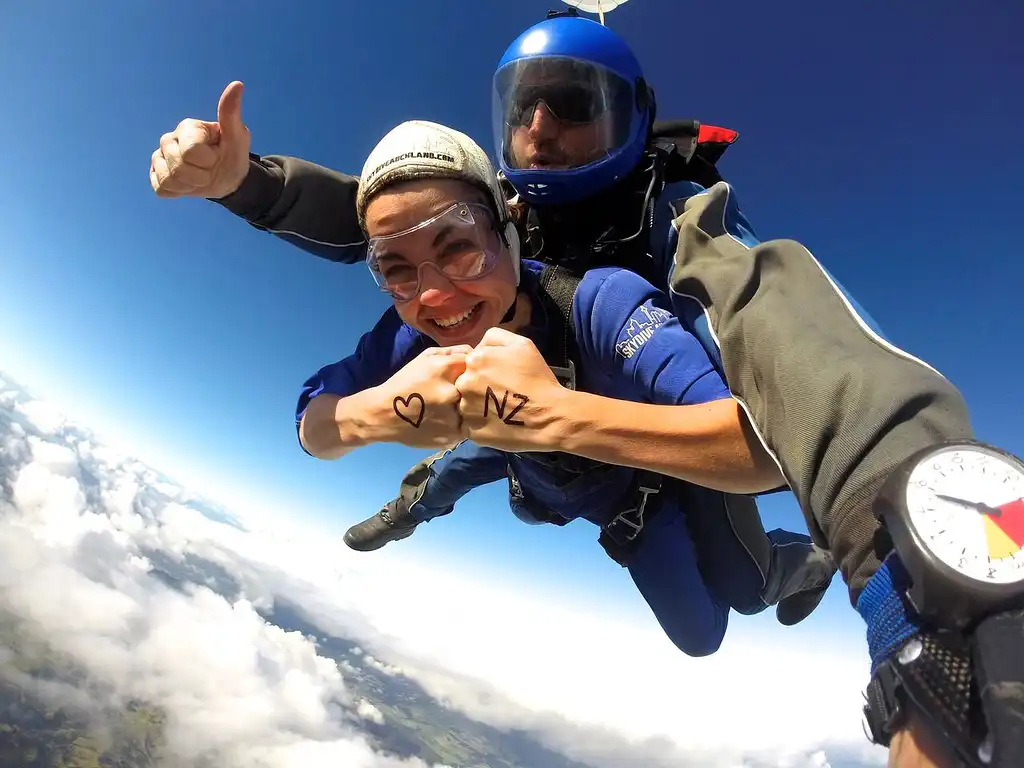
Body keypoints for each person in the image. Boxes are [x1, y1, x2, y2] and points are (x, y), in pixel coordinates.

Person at [150, 12, 984, 765]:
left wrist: (936, 611)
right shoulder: (445, 279)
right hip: (539, 438)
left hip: (641, 457)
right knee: (463, 447)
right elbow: (393, 221)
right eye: (524, 109)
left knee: (713, 616)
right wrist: (250, 191)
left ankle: (789, 567)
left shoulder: (673, 238)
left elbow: (813, 385)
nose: (542, 127)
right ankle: (418, 499)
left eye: (574, 105)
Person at [299, 117, 793, 658]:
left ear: (506, 233)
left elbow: (770, 449)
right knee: (456, 469)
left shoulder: (601, 306)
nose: (435, 296)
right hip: (520, 457)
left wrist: (556, 418)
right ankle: (408, 513)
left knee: (705, 633)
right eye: (396, 270)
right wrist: (372, 416)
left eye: (459, 249)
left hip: (633, 494)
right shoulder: (410, 335)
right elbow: (313, 422)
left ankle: (791, 561)